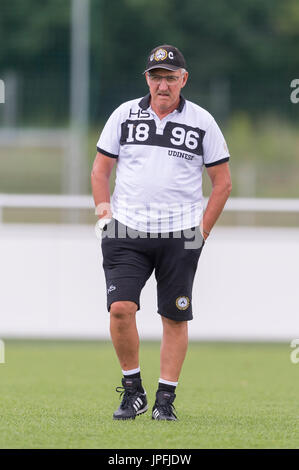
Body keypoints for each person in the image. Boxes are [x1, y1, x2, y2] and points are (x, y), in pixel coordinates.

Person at [91, 44, 232, 421]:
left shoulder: (202, 121)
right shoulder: (124, 114)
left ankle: (165, 399)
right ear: (148, 80)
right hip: (125, 231)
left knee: (174, 316)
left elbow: (222, 183)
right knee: (121, 309)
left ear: (183, 79)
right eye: (156, 77)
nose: (163, 85)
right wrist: (104, 216)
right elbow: (100, 170)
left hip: (179, 233)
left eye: (171, 77)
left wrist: (200, 233)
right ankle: (133, 390)